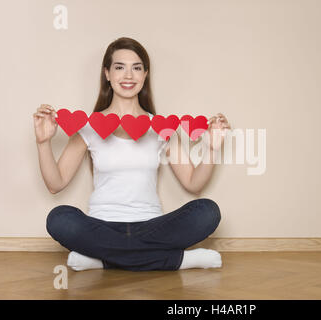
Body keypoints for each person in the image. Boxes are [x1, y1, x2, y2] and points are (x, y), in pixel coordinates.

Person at [33, 37, 231, 272]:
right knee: (59, 218)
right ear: (107, 73)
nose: (128, 75)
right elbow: (56, 184)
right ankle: (177, 260)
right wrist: (43, 142)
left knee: (207, 211)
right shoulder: (89, 127)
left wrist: (212, 148)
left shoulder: (162, 126)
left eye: (136, 68)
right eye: (119, 67)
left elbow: (193, 184)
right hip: (101, 226)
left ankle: (103, 260)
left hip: (152, 226)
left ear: (145, 74)